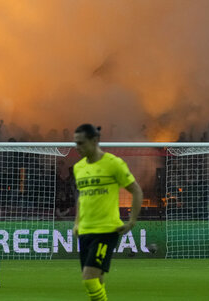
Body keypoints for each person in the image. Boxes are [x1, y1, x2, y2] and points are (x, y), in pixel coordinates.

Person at [72, 123, 143, 301]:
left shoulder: (113, 164)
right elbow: (81, 197)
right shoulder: (78, 167)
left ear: (95, 140)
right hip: (85, 231)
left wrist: (132, 221)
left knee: (88, 279)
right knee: (97, 279)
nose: (77, 148)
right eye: (76, 143)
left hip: (106, 230)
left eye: (81, 143)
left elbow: (136, 190)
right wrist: (77, 223)